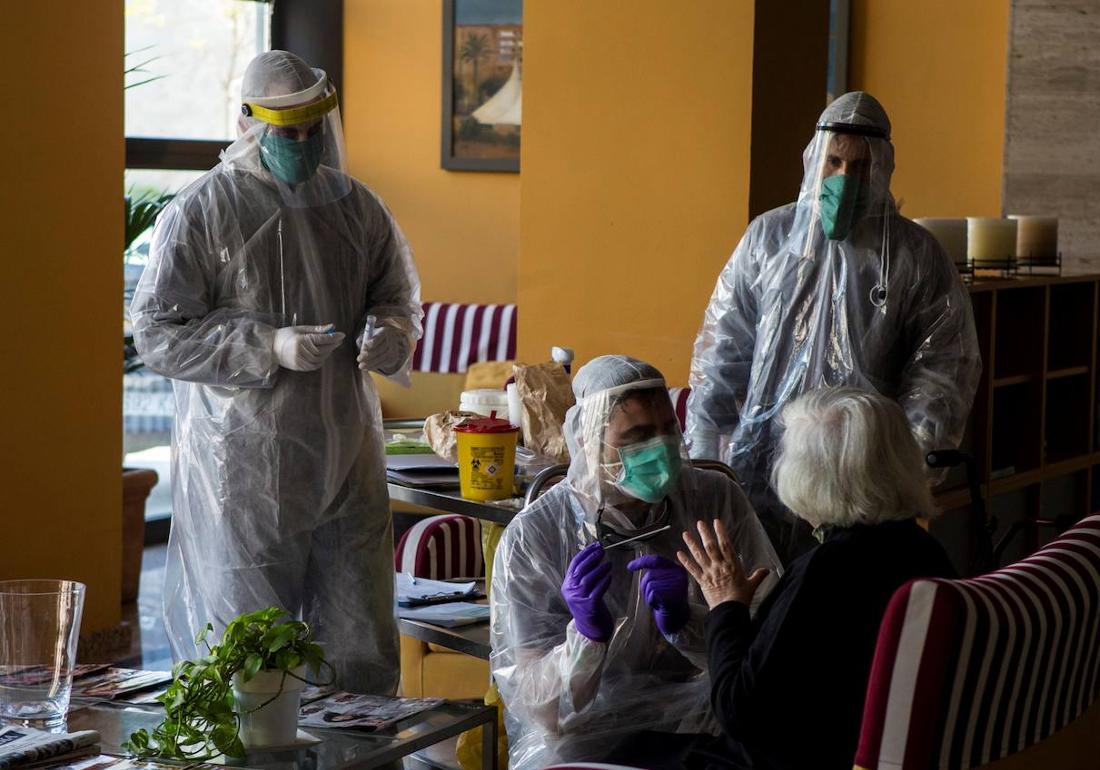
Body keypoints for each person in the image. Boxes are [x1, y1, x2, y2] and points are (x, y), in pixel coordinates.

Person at [131, 50, 421, 695]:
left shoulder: (356, 207)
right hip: (247, 470)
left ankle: (359, 759)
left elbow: (396, 297)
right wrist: (267, 347)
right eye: (286, 131)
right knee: (252, 659)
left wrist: (389, 336)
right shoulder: (204, 210)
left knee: (360, 641)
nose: (302, 144)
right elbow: (157, 332)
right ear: (248, 124)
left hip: (347, 456)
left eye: (312, 129)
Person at [686, 91, 981, 560]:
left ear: (883, 169)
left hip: (858, 486)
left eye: (862, 167)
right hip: (758, 469)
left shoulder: (916, 257)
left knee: (836, 607)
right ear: (814, 161)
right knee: (758, 604)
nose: (846, 178)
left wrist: (901, 470)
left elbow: (942, 373)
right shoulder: (768, 240)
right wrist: (704, 454)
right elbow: (724, 351)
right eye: (835, 161)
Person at [490, 355, 781, 770]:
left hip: (700, 718)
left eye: (667, 430)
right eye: (638, 435)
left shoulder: (712, 499)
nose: (660, 449)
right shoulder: (536, 534)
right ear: (589, 439)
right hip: (586, 732)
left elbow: (766, 644)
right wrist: (585, 639)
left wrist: (694, 622)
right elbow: (534, 705)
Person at [678, 388, 956, 769]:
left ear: (807, 477)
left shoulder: (828, 570)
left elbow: (739, 711)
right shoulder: (924, 549)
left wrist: (725, 605)